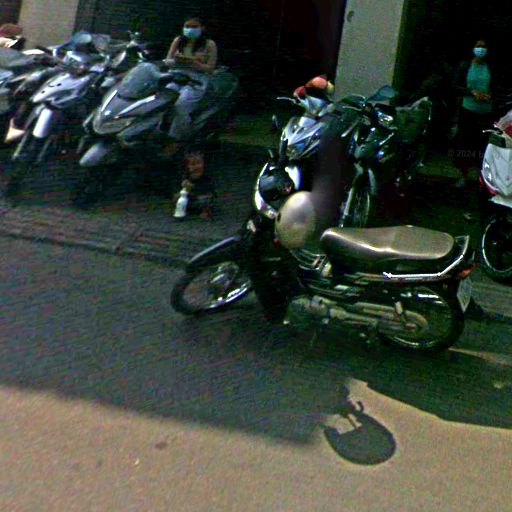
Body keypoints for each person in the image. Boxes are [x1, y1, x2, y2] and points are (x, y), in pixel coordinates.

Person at [165, 17, 217, 141]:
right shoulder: (178, 40)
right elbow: (168, 61)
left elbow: (210, 68)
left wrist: (194, 62)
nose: (190, 29)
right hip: (176, 75)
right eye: (187, 26)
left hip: (196, 79)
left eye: (194, 27)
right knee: (164, 99)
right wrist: (176, 60)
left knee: (181, 105)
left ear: (202, 28)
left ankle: (176, 139)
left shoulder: (209, 44)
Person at [452, 39, 494, 188]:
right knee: (465, 143)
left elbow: (497, 86)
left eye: (484, 46)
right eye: (478, 46)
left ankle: (480, 176)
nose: (481, 49)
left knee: (482, 145)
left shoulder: (491, 67)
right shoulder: (465, 66)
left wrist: (490, 96)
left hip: (486, 112)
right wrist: (471, 92)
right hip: (468, 110)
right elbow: (455, 85)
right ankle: (463, 174)